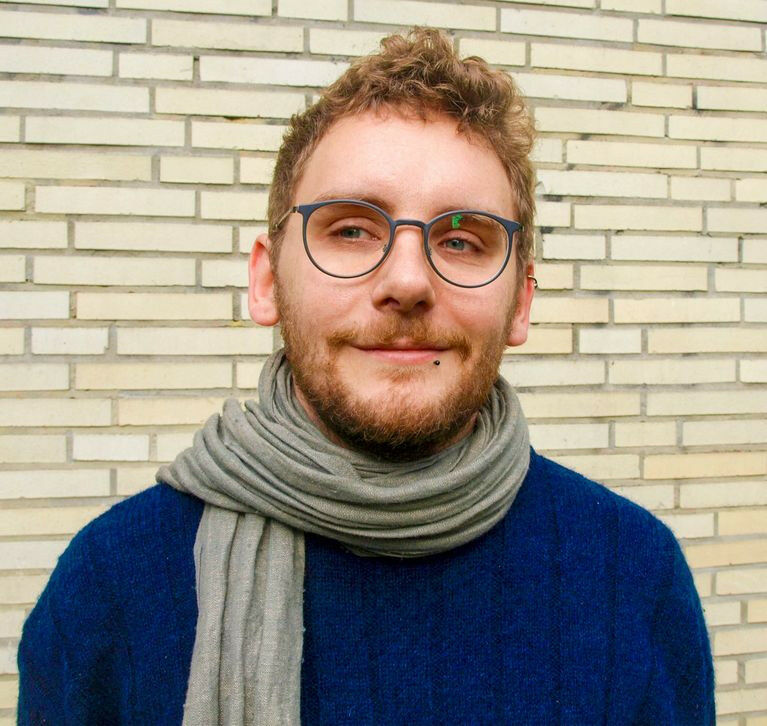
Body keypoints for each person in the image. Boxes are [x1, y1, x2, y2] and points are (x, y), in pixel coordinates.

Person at [18, 28, 714, 725]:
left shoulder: (633, 576)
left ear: (520, 303)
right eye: (351, 230)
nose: (407, 281)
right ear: (266, 280)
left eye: (461, 240)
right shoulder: (109, 586)